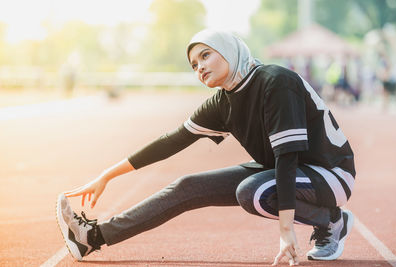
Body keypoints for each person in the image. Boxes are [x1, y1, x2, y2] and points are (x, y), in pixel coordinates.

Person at [56, 29, 355, 266]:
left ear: (228, 50)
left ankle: (331, 220)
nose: (199, 67)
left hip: (331, 173)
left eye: (205, 55)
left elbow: (287, 158)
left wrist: (286, 229)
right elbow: (170, 142)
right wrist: (107, 175)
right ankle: (92, 237)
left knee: (252, 192)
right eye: (194, 65)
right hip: (280, 171)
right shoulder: (222, 101)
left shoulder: (275, 82)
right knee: (187, 186)